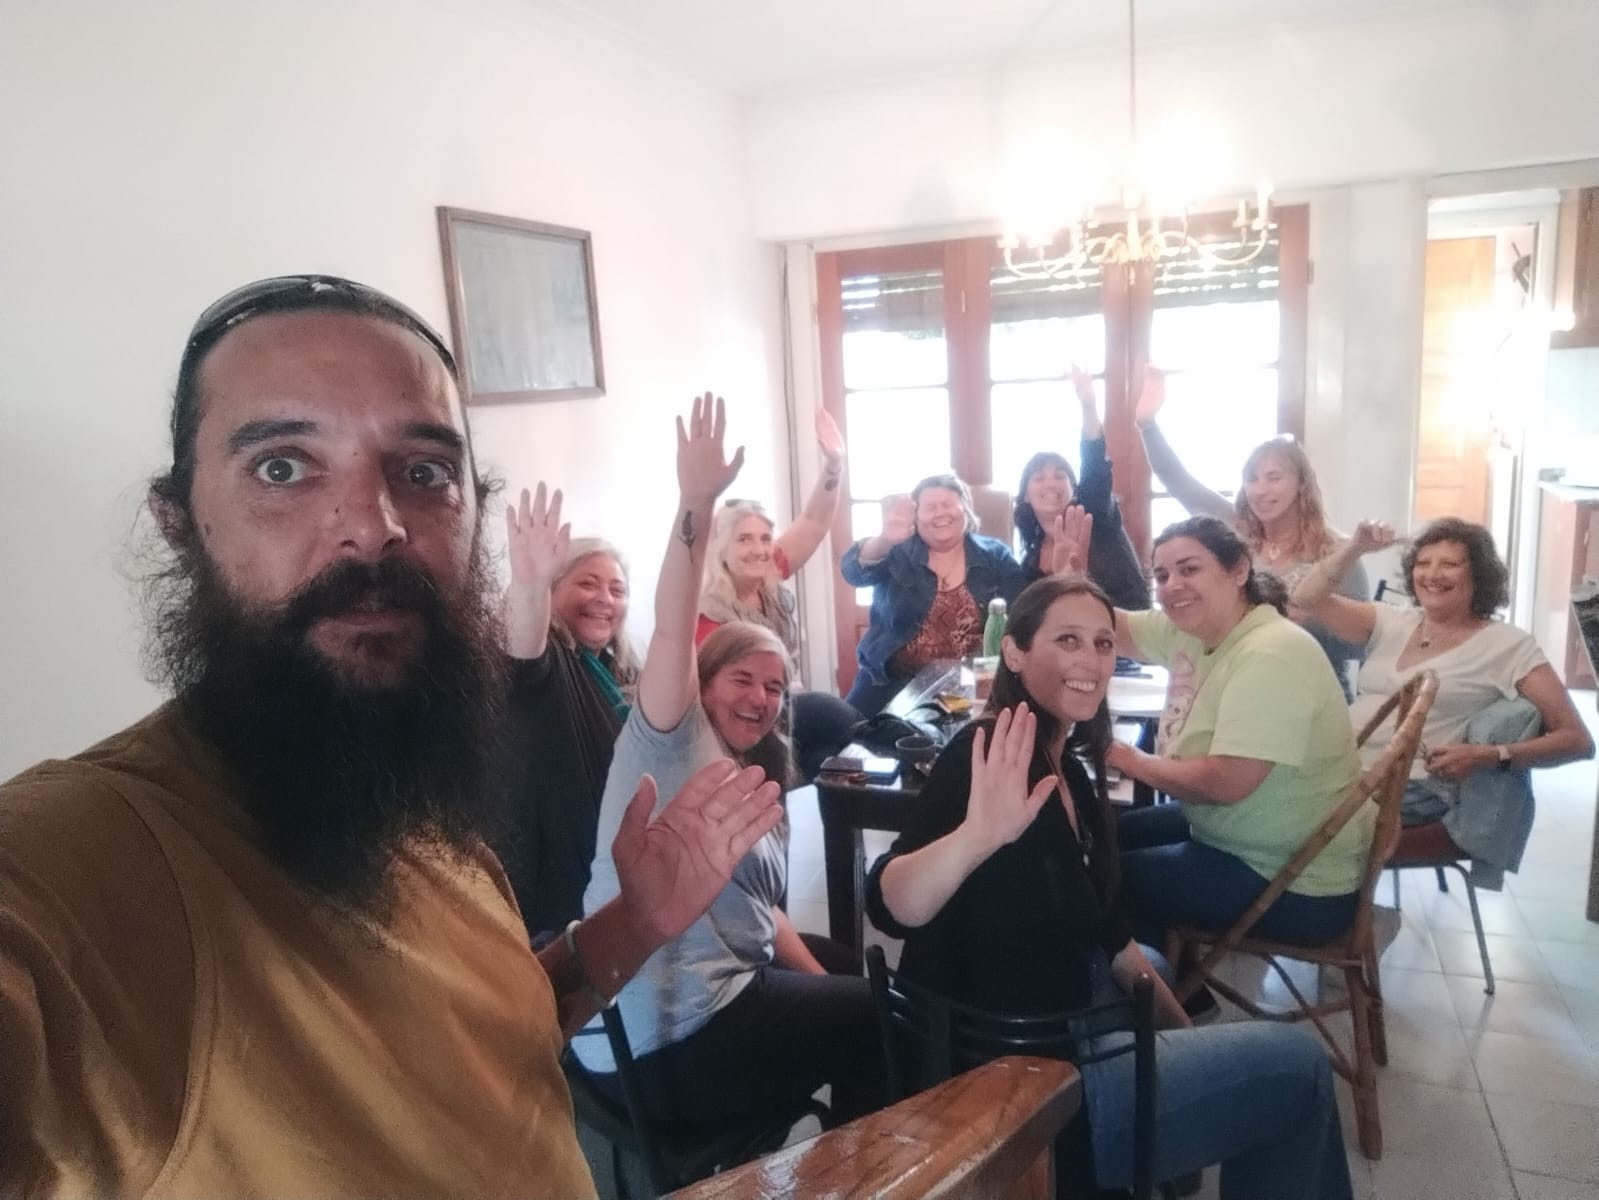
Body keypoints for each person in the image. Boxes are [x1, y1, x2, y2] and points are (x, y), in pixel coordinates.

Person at [0, 275, 785, 1199]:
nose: (373, 530)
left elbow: (489, 1045)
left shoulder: (409, 791)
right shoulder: (83, 861)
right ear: (179, 526)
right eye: (282, 468)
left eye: (423, 472)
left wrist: (634, 923)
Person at [865, 575, 1353, 1200]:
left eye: (1102, 643)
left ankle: (1172, 1154)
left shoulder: (1064, 764)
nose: (1091, 661)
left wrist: (1187, 1037)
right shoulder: (986, 754)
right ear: (1014, 652)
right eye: (1067, 640)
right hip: (1027, 1086)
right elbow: (890, 904)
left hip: (1061, 1021)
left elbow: (1106, 930)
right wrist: (973, 840)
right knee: (1300, 1067)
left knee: (1151, 963)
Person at [577, 393, 884, 1132]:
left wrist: (822, 985)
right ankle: (866, 1167)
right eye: (741, 680)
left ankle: (834, 1132)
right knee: (873, 1019)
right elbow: (672, 619)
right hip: (658, 1050)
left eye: (774, 688)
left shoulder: (754, 769)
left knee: (847, 968)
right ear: (701, 682)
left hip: (692, 1008)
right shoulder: (670, 739)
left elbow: (761, 911)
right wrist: (696, 502)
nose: (760, 699)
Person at [1092, 514, 1368, 949]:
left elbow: (1227, 782)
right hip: (1240, 834)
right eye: (1162, 576)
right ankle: (1173, 970)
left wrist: (1126, 757)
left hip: (1295, 880)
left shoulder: (1271, 652)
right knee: (1107, 836)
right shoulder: (1196, 629)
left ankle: (1159, 988)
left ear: (1239, 570)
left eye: (1189, 569)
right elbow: (1113, 627)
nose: (1172, 585)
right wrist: (1071, 577)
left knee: (1113, 879)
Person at [1291, 517, 1594, 852]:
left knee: (1279, 817)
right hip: (1342, 767)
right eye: (1423, 563)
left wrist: (1491, 755)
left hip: (1409, 787)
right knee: (1259, 797)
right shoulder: (1390, 620)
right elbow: (1305, 597)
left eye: (1449, 564)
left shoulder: (1508, 645)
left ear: (1478, 575)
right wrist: (1355, 548)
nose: (1432, 574)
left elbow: (1578, 741)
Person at [1134, 366, 1367, 690]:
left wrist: (1312, 616)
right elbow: (1180, 483)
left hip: (1309, 686)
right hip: (1238, 680)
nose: (1261, 490)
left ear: (1300, 484)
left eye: (1274, 478)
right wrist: (1147, 424)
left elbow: (1359, 643)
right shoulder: (1235, 533)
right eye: (1252, 479)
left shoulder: (1338, 551)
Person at [497, 485, 636, 936]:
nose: (605, 599)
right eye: (587, 583)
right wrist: (529, 583)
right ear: (553, 592)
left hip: (607, 874)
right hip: (554, 894)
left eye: (617, 589)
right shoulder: (550, 659)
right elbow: (521, 654)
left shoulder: (608, 668)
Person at [697, 410, 861, 778]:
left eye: (765, 538)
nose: (759, 549)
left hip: (784, 706)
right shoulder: (711, 617)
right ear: (721, 549)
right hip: (749, 719)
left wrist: (834, 465)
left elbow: (814, 522)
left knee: (831, 757)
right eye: (744, 540)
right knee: (836, 715)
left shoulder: (768, 575)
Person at [842, 471, 1027, 715]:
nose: (940, 513)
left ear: (965, 510)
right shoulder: (897, 551)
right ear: (916, 517)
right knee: (852, 733)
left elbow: (1022, 613)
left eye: (948, 505)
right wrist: (885, 540)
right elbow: (852, 572)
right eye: (930, 507)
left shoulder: (995, 556)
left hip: (971, 683)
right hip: (892, 681)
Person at [1014, 364, 1149, 611]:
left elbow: (1095, 466)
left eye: (1059, 475)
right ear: (1025, 496)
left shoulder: (1095, 515)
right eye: (1039, 478)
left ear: (1073, 489)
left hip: (1125, 628)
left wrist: (1088, 405)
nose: (1050, 483)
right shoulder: (1029, 561)